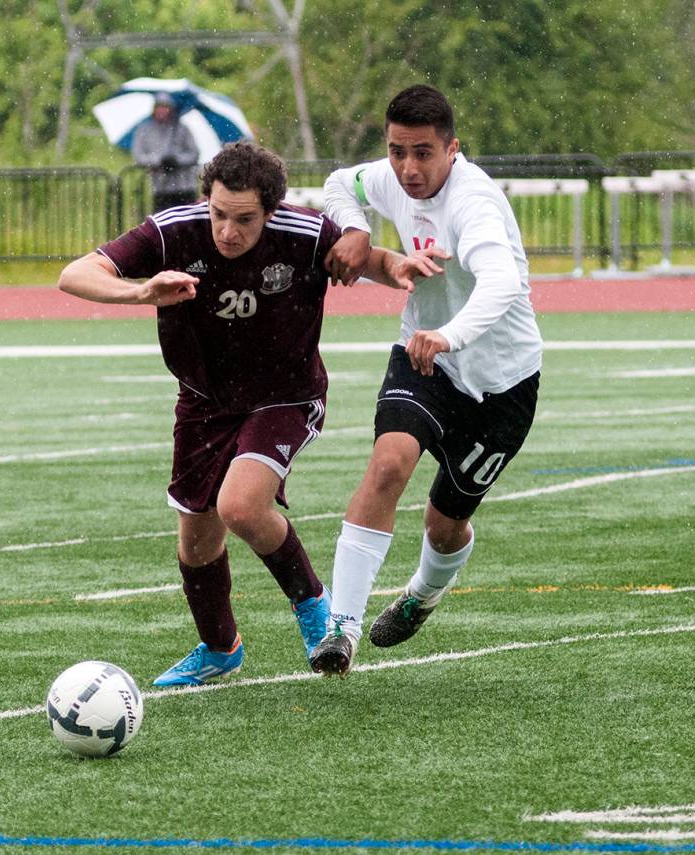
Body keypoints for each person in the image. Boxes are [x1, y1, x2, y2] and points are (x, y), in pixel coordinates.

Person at [59, 142, 420, 687]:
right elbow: (74, 274)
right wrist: (141, 292)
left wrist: (398, 264)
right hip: (204, 402)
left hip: (286, 396)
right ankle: (220, 648)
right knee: (196, 541)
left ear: (271, 211)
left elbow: (375, 263)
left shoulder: (303, 235)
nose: (227, 231)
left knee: (241, 506)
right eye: (219, 214)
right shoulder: (173, 230)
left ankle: (314, 609)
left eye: (244, 219)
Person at [308, 84, 543, 676]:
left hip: (502, 383)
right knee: (389, 464)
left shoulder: (476, 204)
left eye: (423, 154)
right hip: (423, 359)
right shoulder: (389, 176)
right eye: (396, 152)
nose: (408, 169)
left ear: (452, 149)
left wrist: (449, 335)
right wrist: (353, 228)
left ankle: (423, 593)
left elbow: (501, 284)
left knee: (445, 525)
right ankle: (342, 628)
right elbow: (341, 183)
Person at [131, 92, 201, 213]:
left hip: (184, 185)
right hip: (160, 187)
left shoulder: (182, 129)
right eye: (159, 107)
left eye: (165, 107)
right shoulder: (144, 130)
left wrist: (177, 160)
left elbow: (194, 153)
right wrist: (159, 161)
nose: (162, 110)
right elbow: (138, 156)